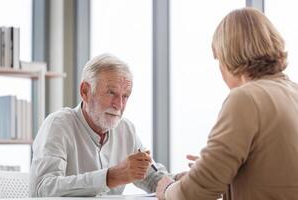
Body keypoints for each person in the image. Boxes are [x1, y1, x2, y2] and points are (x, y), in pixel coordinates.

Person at [156, 7, 298, 200]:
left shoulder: (246, 98)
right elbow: (277, 170)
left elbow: (198, 191)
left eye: (219, 60)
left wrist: (168, 189)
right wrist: (220, 169)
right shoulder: (292, 92)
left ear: (228, 56)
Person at [30, 54, 169, 197]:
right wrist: (110, 177)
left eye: (125, 96)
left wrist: (182, 183)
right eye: (111, 93)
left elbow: (152, 178)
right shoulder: (58, 125)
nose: (119, 105)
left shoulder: (126, 129)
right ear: (85, 91)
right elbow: (43, 189)